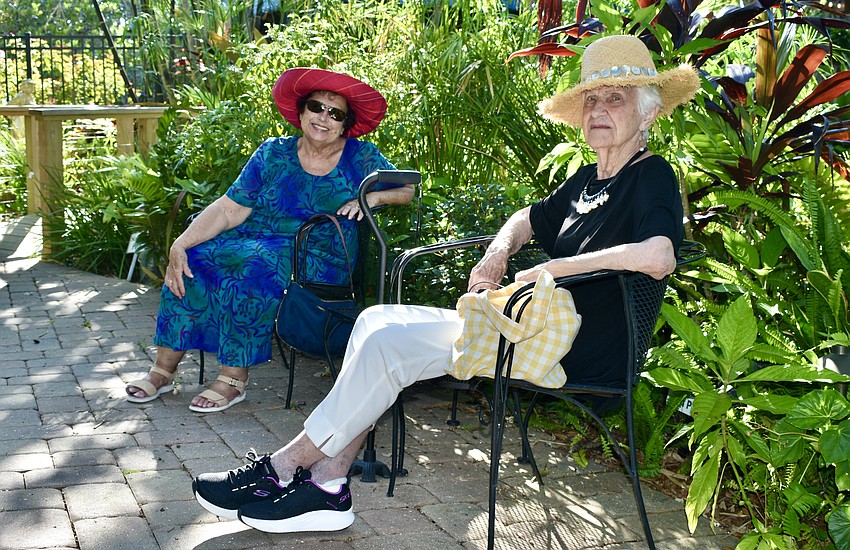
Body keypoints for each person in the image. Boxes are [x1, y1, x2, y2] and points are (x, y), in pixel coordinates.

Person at [190, 34, 700, 532]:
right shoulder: (587, 180)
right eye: (591, 99)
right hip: (527, 326)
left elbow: (659, 255)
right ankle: (325, 484)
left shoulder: (650, 174)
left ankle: (286, 468)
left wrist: (553, 269)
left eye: (616, 99)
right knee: (375, 321)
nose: (598, 109)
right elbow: (527, 217)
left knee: (388, 342)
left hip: (573, 347)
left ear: (649, 112)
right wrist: (499, 251)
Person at [124, 68, 414, 412]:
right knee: (196, 259)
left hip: (319, 254)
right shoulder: (273, 152)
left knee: (254, 267)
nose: (323, 118)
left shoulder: (361, 156)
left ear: (345, 123)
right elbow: (230, 209)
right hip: (257, 240)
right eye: (316, 107)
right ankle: (163, 370)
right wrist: (180, 244)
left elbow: (407, 188)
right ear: (301, 112)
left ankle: (233, 379)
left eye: (335, 114)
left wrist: (371, 199)